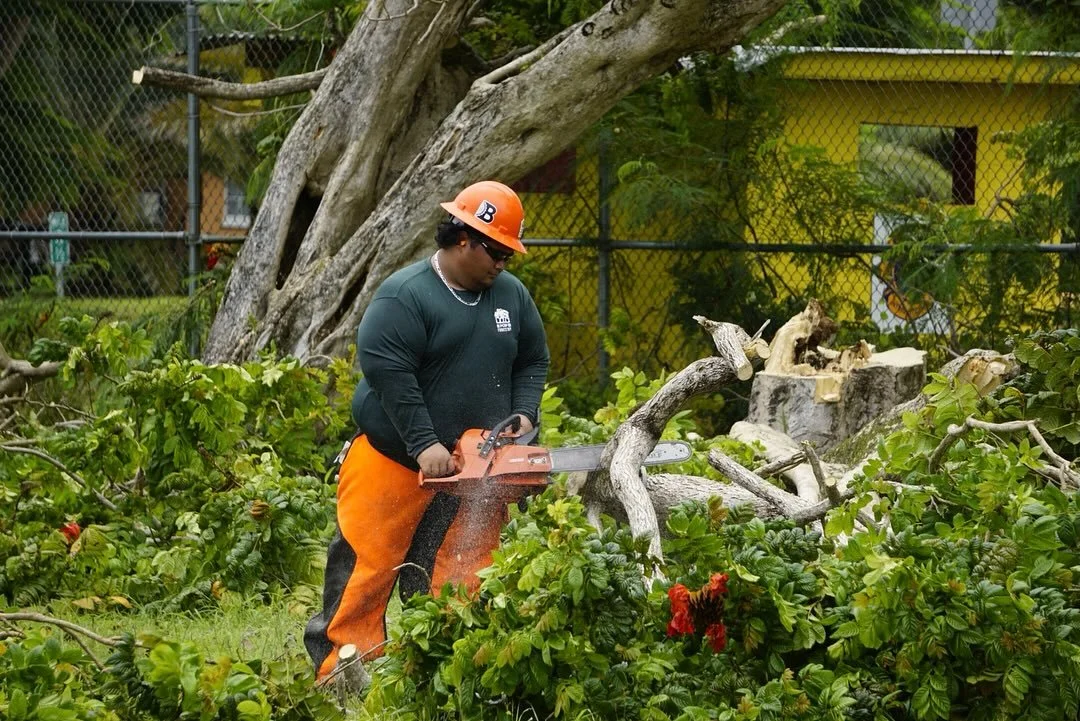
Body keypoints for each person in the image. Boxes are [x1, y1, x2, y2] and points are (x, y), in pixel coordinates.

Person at [304, 180, 550, 681]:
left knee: (463, 573)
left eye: (509, 254)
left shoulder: (512, 296)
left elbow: (533, 359)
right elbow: (388, 372)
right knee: (367, 569)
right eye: (496, 251)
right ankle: (341, 673)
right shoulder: (406, 295)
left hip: (475, 469)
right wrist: (424, 443)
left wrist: (524, 412)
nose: (503, 263)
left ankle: (444, 674)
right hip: (393, 457)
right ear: (461, 238)